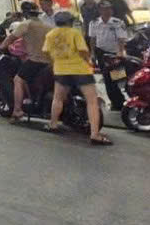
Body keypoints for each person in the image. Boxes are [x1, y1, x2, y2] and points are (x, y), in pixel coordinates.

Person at [42, 10, 112, 145]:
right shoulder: (74, 33)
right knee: (92, 101)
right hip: (80, 70)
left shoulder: (50, 34)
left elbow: (45, 52)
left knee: (58, 98)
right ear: (70, 22)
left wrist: (55, 61)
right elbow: (83, 50)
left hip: (61, 70)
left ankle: (53, 124)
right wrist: (89, 61)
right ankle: (95, 134)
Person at [2, 1, 51, 122]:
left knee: (18, 79)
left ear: (25, 13)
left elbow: (10, 38)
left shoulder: (26, 24)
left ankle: (17, 110)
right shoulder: (46, 25)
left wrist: (0, 47)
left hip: (35, 60)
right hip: (50, 61)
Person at [87, 0, 131, 112]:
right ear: (99, 10)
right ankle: (116, 103)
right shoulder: (94, 23)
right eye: (104, 9)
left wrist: (120, 52)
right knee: (107, 78)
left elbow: (121, 39)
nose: (107, 11)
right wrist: (92, 53)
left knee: (117, 78)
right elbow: (92, 39)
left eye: (109, 9)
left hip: (114, 53)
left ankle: (121, 100)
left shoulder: (117, 22)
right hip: (101, 53)